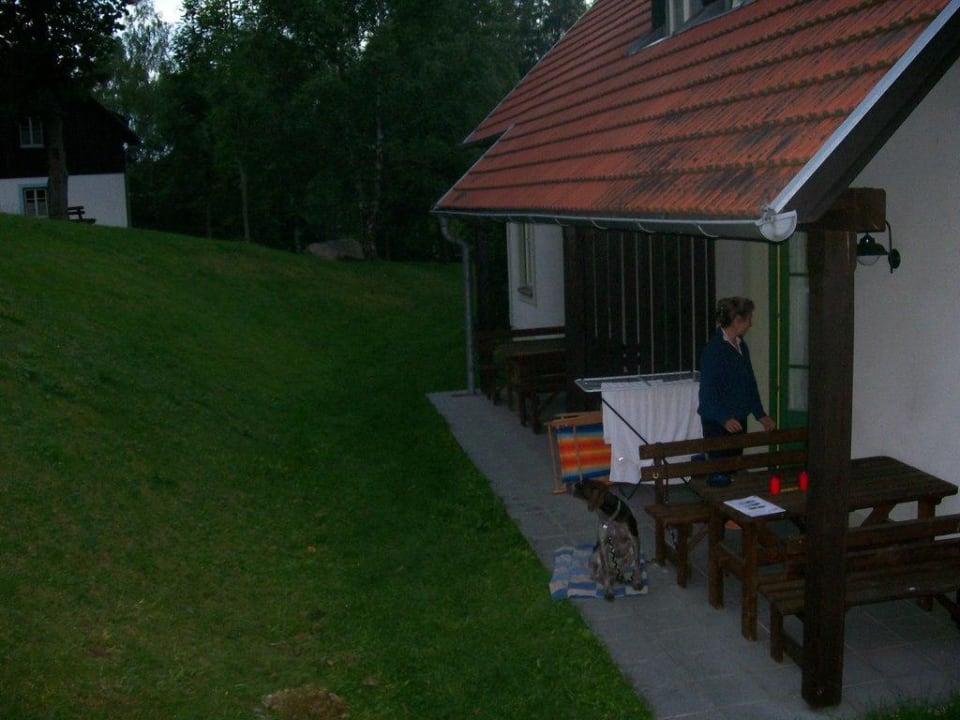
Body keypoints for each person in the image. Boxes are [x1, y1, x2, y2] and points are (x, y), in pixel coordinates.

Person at [698, 296, 776, 456]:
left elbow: (749, 384)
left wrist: (760, 415)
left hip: (738, 419)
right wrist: (724, 418)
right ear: (737, 321)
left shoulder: (741, 346)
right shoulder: (714, 349)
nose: (751, 324)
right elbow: (707, 392)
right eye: (749, 319)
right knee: (721, 473)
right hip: (718, 423)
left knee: (735, 470)